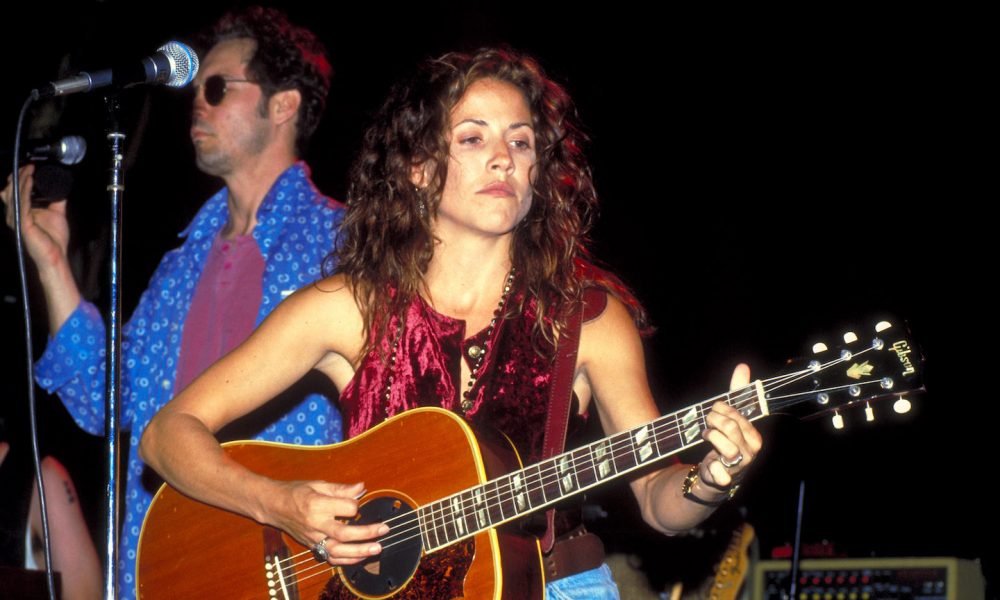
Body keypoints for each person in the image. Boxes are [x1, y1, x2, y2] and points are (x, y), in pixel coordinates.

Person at [140, 47, 763, 598]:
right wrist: (279, 504)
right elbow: (167, 434)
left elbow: (658, 501)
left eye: (521, 143)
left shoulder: (588, 319)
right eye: (473, 138)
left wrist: (709, 480)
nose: (503, 160)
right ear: (417, 167)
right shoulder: (348, 308)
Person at [2, 7, 345, 598]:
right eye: (196, 89)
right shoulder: (180, 265)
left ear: (282, 105)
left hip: (290, 569)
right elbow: (108, 404)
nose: (198, 103)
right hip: (165, 566)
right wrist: (52, 261)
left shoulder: (341, 243)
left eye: (218, 88)